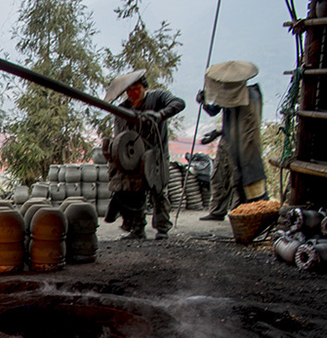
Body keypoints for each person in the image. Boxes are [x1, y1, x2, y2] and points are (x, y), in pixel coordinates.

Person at [103, 69, 186, 240]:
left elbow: (179, 103)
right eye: (129, 90)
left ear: (144, 87)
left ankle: (162, 228)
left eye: (137, 88)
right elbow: (119, 137)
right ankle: (137, 229)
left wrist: (160, 115)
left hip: (157, 153)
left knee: (158, 191)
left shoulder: (157, 97)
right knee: (135, 192)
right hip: (134, 157)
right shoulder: (122, 109)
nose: (133, 93)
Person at [195, 60, 268, 221]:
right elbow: (215, 110)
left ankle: (244, 213)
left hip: (245, 145)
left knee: (242, 179)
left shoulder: (250, 96)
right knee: (219, 175)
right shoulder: (230, 94)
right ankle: (217, 210)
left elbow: (247, 127)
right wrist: (204, 102)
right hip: (227, 140)